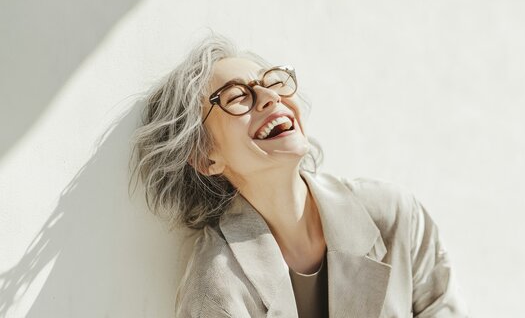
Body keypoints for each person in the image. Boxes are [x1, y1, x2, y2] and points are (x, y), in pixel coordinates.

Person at [130, 33, 469, 318]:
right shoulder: (216, 285)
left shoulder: (393, 214)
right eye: (237, 97)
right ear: (206, 157)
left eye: (272, 82)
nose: (269, 97)